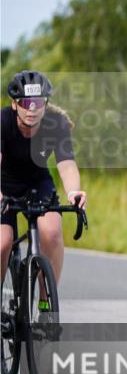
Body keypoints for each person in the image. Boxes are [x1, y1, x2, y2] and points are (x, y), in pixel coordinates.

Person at [0, 71, 87, 307]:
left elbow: (67, 165)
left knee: (52, 233)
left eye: (38, 103)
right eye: (26, 103)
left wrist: (73, 192)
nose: (32, 109)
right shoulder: (3, 121)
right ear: (14, 104)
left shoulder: (55, 123)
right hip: (4, 186)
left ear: (45, 104)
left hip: (38, 184)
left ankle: (45, 302)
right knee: (3, 242)